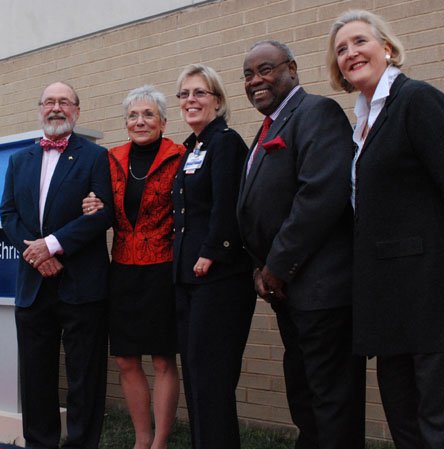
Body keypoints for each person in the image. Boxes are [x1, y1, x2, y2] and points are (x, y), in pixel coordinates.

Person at [236, 40, 366, 449]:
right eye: (248, 74)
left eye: (265, 69)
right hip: (290, 292)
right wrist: (260, 268)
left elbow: (318, 198)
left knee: (332, 400)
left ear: (292, 68)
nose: (256, 80)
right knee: (305, 395)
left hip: (322, 291)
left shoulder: (316, 112)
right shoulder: (268, 127)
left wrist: (275, 265)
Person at [328, 10, 444, 449]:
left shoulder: (416, 101)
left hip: (429, 294)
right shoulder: (361, 123)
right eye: (341, 49)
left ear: (388, 48)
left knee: (436, 419)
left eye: (359, 41)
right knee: (403, 418)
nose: (350, 52)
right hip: (387, 299)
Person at [0, 81, 113, 449]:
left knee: (85, 377)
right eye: (49, 101)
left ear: (77, 111)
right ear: (40, 109)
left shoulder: (96, 157)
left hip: (82, 283)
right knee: (36, 377)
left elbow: (102, 215)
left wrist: (52, 245)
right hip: (33, 286)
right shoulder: (20, 161)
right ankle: (40, 443)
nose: (56, 108)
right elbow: (8, 214)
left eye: (64, 101)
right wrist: (35, 253)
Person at [82, 85, 184, 449]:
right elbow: (103, 204)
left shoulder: (180, 155)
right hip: (122, 268)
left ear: (162, 121)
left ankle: (160, 441)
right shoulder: (111, 159)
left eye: (148, 115)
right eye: (133, 116)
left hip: (164, 267)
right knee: (126, 360)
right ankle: (141, 439)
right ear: (125, 123)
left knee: (161, 359)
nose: (140, 121)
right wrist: (93, 204)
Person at [172, 64, 255, 449]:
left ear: (218, 102)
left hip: (219, 279)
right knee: (196, 378)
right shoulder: (193, 147)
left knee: (212, 379)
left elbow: (228, 205)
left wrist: (211, 253)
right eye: (185, 94)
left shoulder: (226, 143)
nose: (191, 100)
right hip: (189, 280)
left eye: (200, 93)